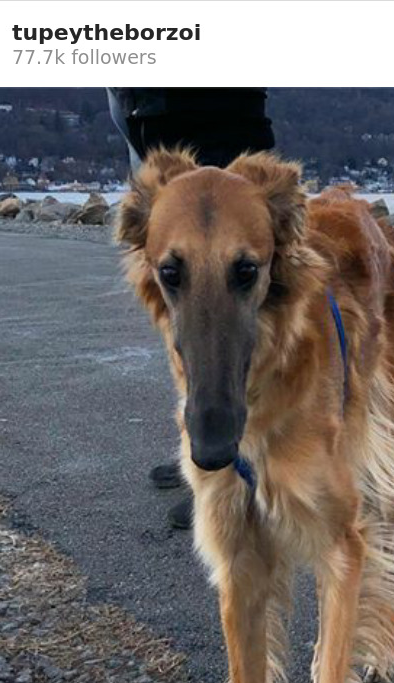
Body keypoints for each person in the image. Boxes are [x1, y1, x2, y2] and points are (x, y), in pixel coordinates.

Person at [108, 89, 275, 530]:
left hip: (217, 128)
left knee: (230, 320)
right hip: (152, 125)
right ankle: (199, 451)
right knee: (182, 312)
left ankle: (228, 467)